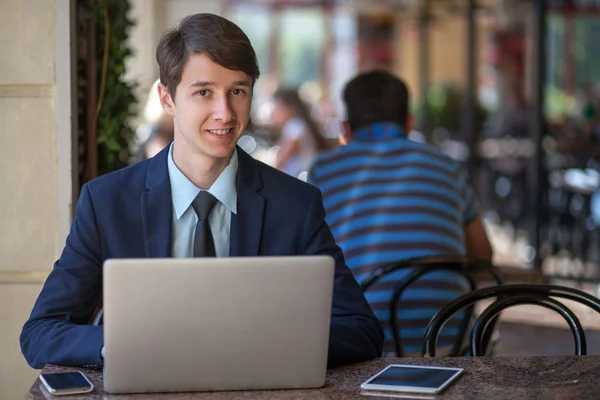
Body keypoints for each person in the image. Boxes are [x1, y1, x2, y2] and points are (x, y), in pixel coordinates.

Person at [20, 13, 383, 369]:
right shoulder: (107, 203)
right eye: (203, 92)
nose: (224, 112)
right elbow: (40, 332)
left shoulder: (296, 204)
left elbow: (362, 330)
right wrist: (124, 344)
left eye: (237, 91)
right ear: (167, 99)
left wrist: (267, 342)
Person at [309, 70, 493, 355]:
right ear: (409, 123)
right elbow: (483, 254)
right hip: (447, 345)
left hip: (362, 349)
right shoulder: (448, 167)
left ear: (345, 129)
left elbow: (311, 261)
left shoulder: (323, 171)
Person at [271, 89, 330, 179]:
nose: (274, 114)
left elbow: (280, 161)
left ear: (289, 109)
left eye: (277, 108)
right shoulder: (299, 124)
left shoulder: (295, 126)